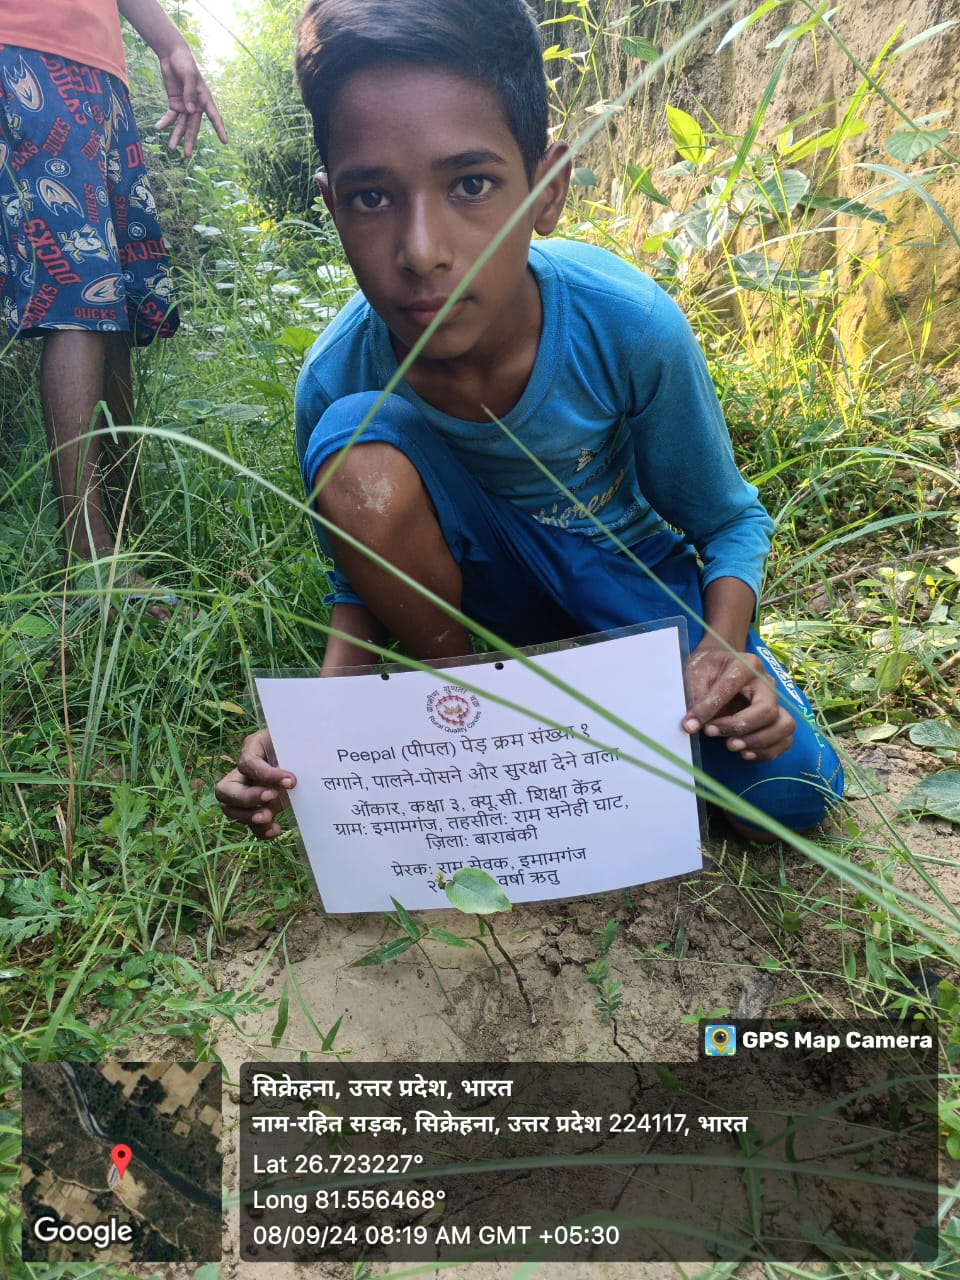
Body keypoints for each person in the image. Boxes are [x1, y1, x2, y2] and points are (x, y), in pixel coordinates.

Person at [216, 0, 843, 840]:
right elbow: (352, 580)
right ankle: (480, 719)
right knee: (353, 442)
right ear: (332, 207)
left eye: (471, 185)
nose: (423, 249)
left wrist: (723, 654)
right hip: (471, 621)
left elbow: (729, 520)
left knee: (789, 798)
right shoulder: (335, 378)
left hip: (623, 589)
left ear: (546, 193)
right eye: (371, 198)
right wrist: (317, 738)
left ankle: (683, 698)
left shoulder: (627, 326)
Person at [0, 0, 227, 616]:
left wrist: (168, 42)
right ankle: (93, 569)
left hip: (101, 72)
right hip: (30, 52)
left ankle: (128, 533)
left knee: (117, 301)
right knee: (79, 294)